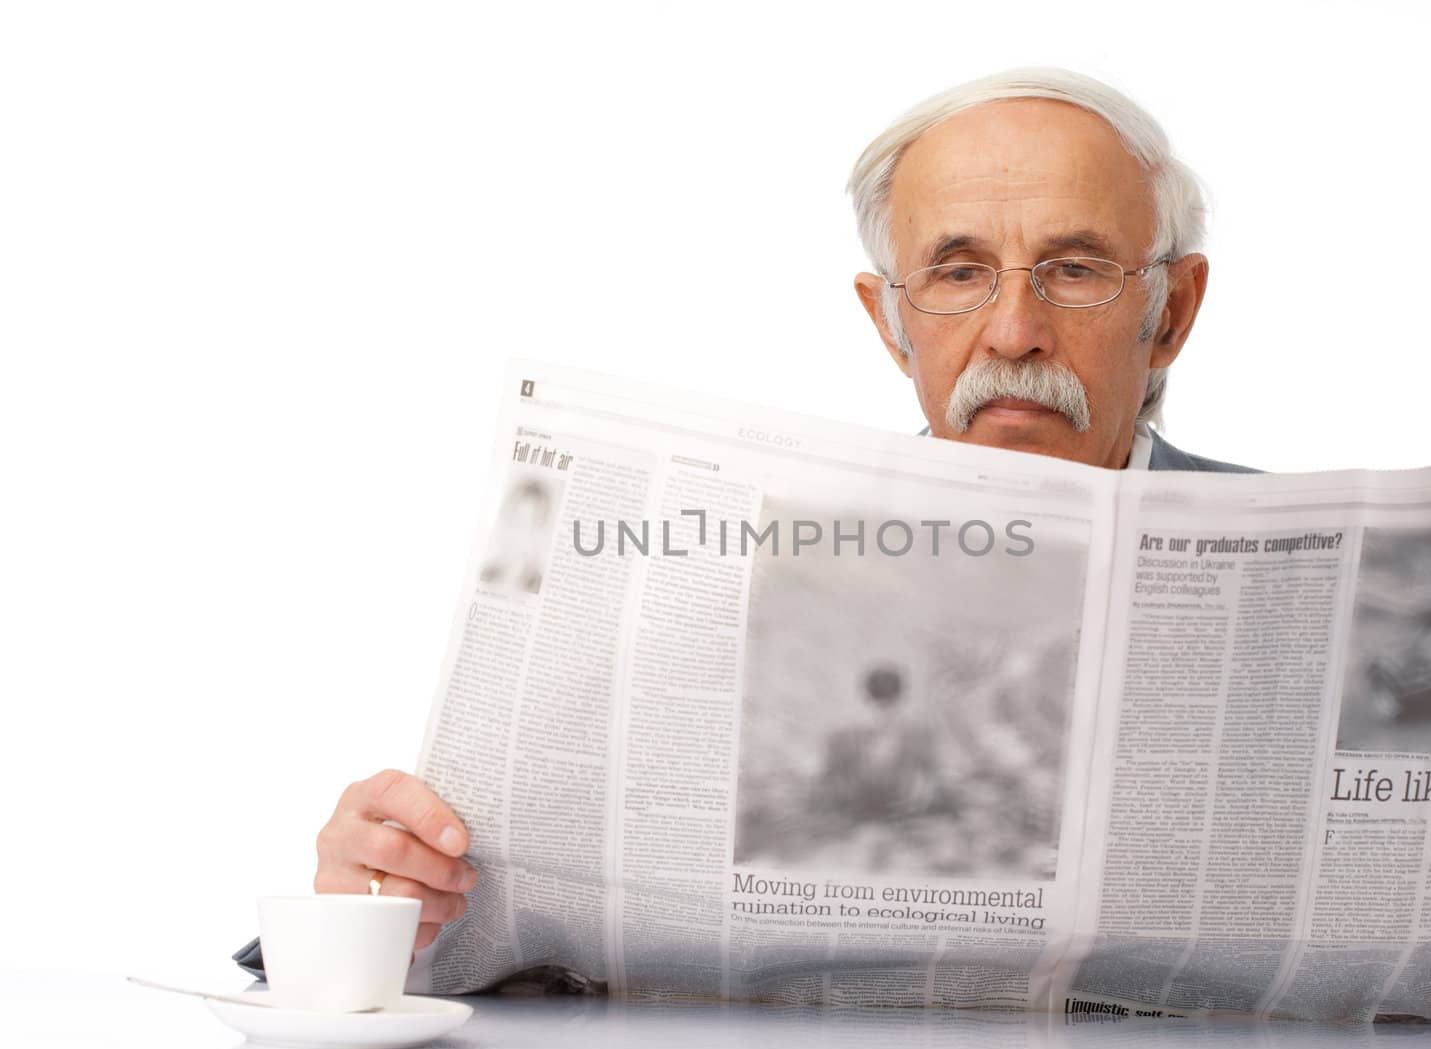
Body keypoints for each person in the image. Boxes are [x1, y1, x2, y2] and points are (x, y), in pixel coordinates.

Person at [234, 67, 1257, 978]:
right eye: (956, 271)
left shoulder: (1342, 581)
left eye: (1074, 268)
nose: (1014, 331)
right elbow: (471, 914)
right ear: (889, 322)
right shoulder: (709, 574)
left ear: (1169, 311)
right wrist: (380, 895)